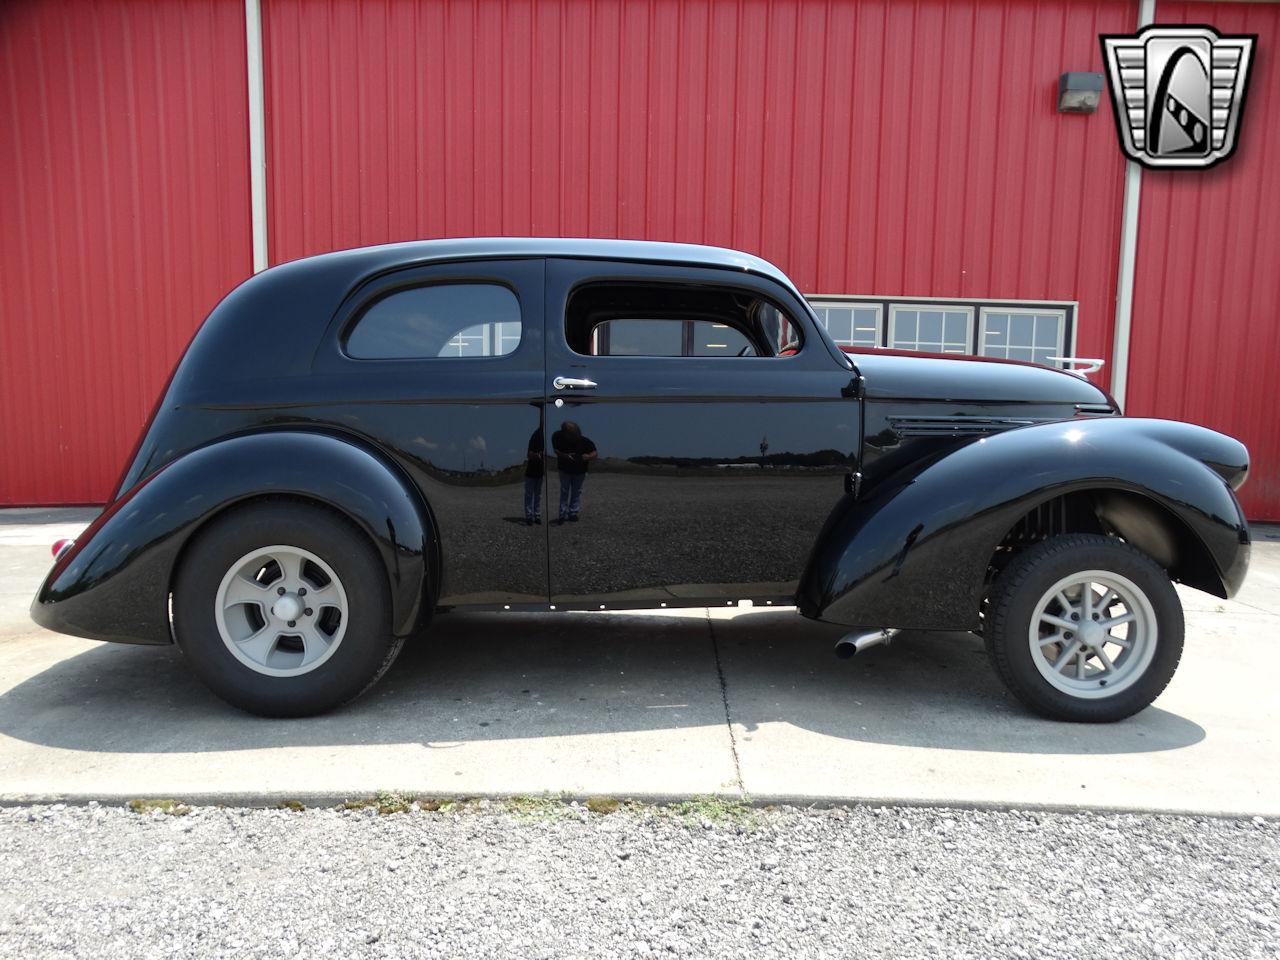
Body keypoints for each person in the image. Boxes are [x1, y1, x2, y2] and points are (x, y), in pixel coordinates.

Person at [551, 421, 597, 522]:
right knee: (565, 491)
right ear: (565, 433)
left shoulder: (585, 441)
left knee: (576, 491)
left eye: (575, 432)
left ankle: (573, 513)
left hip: (580, 470)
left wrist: (588, 456)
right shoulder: (557, 437)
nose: (574, 435)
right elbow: (556, 450)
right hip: (565, 469)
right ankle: (562, 514)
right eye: (571, 433)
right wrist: (566, 456)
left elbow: (595, 452)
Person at [523, 427, 544, 525]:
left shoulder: (540, 439)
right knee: (529, 495)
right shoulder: (534, 439)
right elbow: (529, 454)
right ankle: (529, 516)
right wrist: (537, 455)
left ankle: (536, 515)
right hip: (531, 473)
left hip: (539, 472)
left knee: (537, 495)